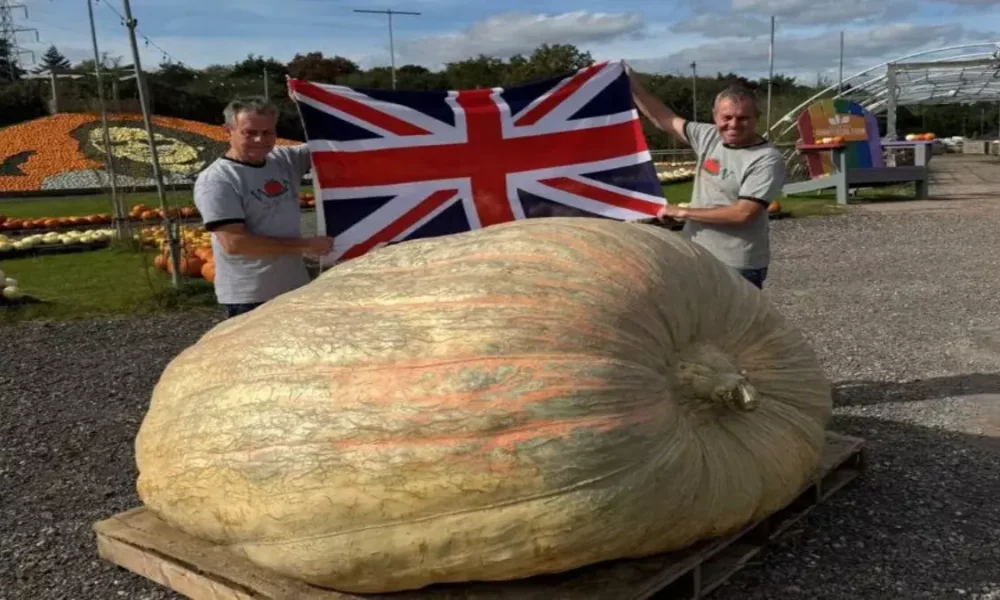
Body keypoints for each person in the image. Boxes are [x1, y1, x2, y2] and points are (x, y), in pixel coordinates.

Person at [626, 65, 786, 289]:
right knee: (693, 322)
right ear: (715, 116)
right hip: (695, 255)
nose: (733, 125)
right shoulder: (708, 136)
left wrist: (682, 212)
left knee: (730, 324)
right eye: (727, 117)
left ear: (756, 118)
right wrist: (632, 83)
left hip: (737, 264)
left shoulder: (766, 159)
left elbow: (744, 213)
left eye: (743, 118)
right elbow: (662, 118)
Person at [193, 97, 334, 319]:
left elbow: (332, 143)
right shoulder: (217, 180)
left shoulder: (283, 160)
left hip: (294, 288)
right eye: (249, 133)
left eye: (268, 132)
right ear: (227, 131)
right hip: (251, 297)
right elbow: (235, 243)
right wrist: (306, 245)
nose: (260, 139)